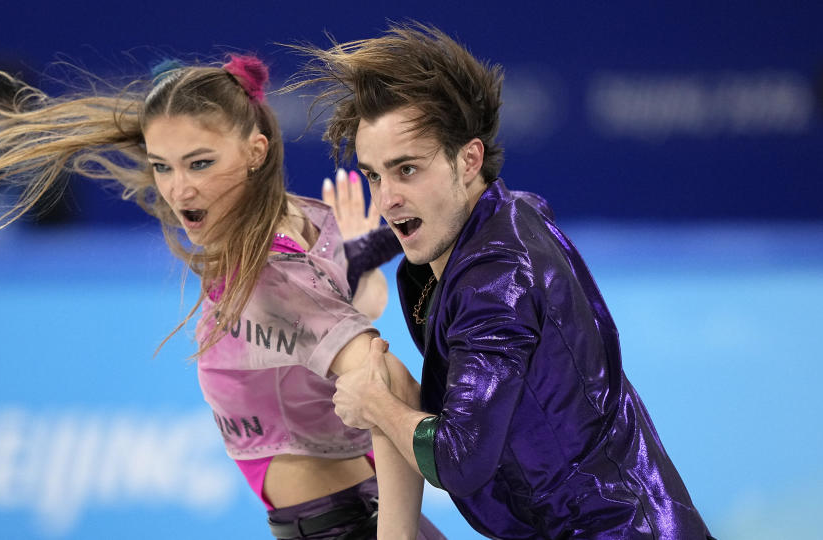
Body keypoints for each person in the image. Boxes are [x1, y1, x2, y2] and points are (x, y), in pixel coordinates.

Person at [0, 54, 444, 539]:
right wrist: (347, 263)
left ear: (256, 151)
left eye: (200, 163)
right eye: (162, 165)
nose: (178, 189)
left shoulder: (265, 273)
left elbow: (388, 380)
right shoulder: (302, 221)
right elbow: (353, 311)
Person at [288, 23, 716, 539]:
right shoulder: (509, 212)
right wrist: (347, 253)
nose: (386, 199)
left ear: (468, 160)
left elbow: (459, 459)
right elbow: (405, 235)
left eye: (406, 170)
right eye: (374, 174)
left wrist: (376, 403)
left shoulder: (495, 286)